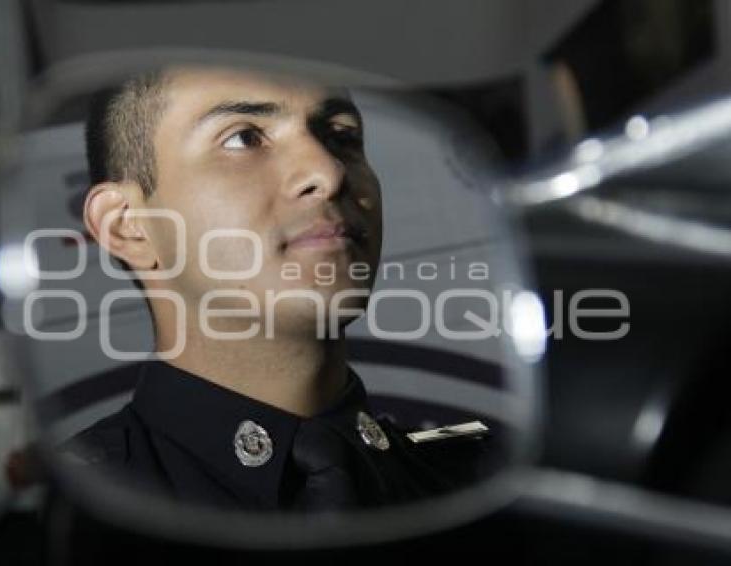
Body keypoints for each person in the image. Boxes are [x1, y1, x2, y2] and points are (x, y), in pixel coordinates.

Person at [61, 64, 495, 511]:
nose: (328, 171)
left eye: (342, 136)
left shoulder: (480, 484)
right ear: (129, 227)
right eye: (244, 138)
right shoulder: (71, 520)